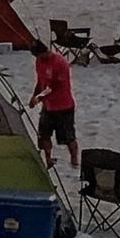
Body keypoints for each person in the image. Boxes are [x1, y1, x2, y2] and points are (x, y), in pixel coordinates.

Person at [27, 41, 78, 169]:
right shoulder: (39, 61)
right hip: (48, 106)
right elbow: (40, 81)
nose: (37, 59)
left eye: (38, 55)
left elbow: (55, 86)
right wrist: (34, 95)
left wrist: (39, 98)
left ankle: (74, 159)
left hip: (63, 106)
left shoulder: (60, 63)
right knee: (44, 134)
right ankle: (48, 158)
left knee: (68, 136)